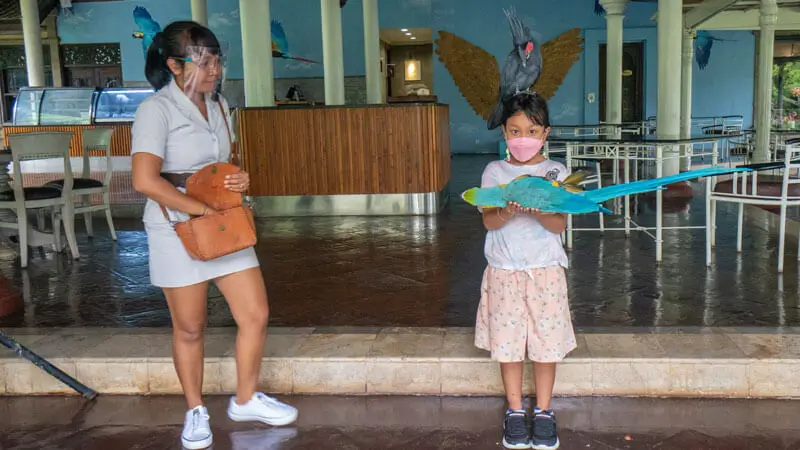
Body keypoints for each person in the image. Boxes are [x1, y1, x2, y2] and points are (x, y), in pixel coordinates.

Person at [130, 21, 296, 450]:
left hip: (222, 221)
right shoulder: (156, 110)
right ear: (174, 65)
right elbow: (146, 180)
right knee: (190, 327)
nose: (214, 70)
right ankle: (195, 410)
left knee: (255, 313)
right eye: (204, 62)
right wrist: (200, 208)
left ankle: (245, 399)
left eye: (216, 60)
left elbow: (220, 165)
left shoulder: (220, 106)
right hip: (176, 227)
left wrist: (238, 180)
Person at [474, 92, 576, 450]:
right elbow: (488, 221)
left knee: (546, 348)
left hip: (545, 272)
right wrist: (508, 210)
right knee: (509, 346)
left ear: (545, 133)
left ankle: (544, 411)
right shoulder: (494, 172)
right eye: (515, 130)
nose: (523, 138)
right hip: (504, 272)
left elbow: (557, 226)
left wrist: (536, 208)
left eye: (531, 130)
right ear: (504, 132)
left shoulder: (556, 172)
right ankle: (515, 411)